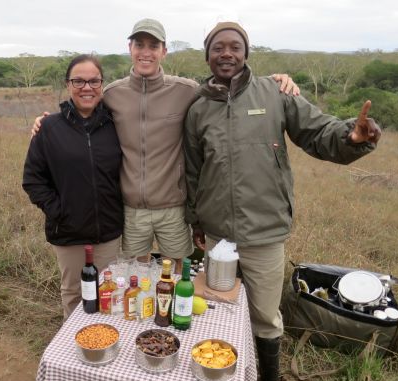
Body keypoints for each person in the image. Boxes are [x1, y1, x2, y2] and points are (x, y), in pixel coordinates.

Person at [183, 22, 381, 381]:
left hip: (265, 230)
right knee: (220, 305)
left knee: (265, 313)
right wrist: (195, 222)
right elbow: (192, 171)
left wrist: (351, 138)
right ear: (207, 55)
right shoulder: (197, 108)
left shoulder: (275, 93)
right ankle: (224, 372)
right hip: (217, 233)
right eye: (218, 47)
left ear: (246, 53)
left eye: (234, 46)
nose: (226, 53)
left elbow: (318, 131)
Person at [31, 18, 300, 275]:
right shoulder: (112, 94)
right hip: (131, 209)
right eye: (139, 45)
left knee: (180, 275)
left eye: (153, 46)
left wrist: (271, 81)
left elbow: (228, 92)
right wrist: (47, 121)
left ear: (164, 51)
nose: (145, 52)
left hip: (173, 207)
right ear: (130, 49)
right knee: (132, 278)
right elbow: (82, 109)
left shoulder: (187, 90)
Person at [22, 54, 123, 320]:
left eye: (94, 81)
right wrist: (60, 211)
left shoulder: (117, 125)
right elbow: (33, 179)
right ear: (68, 85)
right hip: (68, 232)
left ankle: (104, 343)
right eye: (78, 81)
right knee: (74, 293)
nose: (87, 88)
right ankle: (73, 351)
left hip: (108, 231)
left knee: (106, 293)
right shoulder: (49, 128)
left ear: (102, 84)